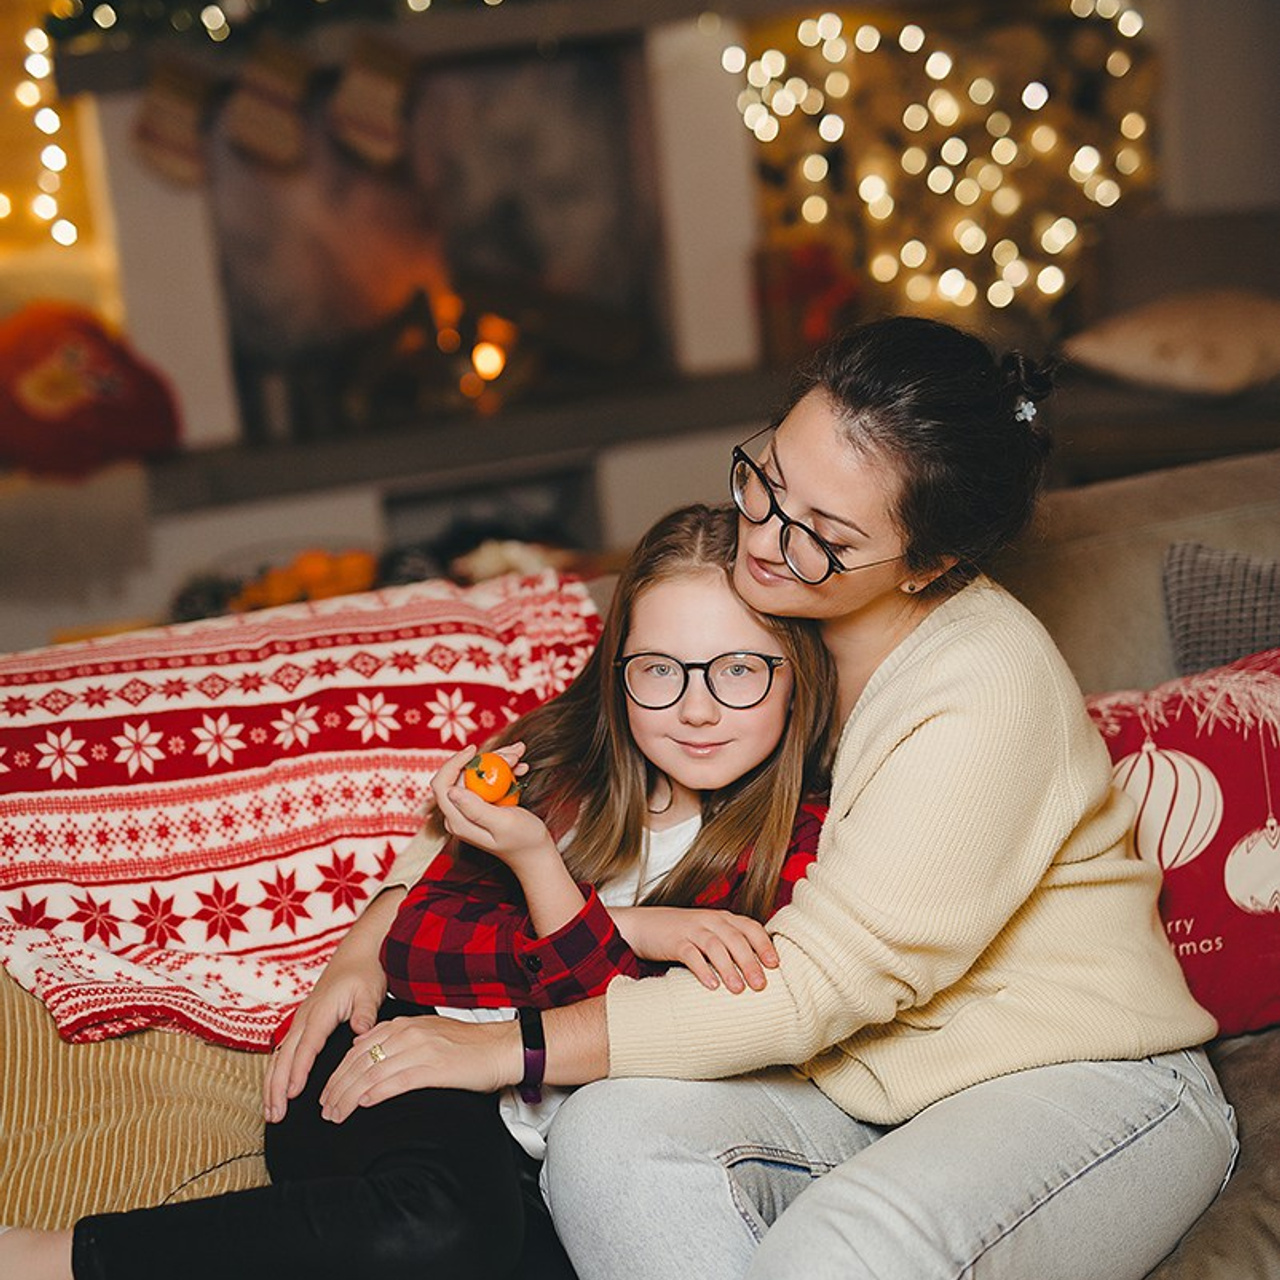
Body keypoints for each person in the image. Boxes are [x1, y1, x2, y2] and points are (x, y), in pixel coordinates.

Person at [297, 315, 1239, 1280]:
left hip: (1078, 1081)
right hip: (856, 1084)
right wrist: (377, 924)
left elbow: (812, 985)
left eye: (825, 537)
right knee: (608, 1141)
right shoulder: (771, 611)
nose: (767, 538)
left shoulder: (983, 686)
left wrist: (513, 1048)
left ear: (929, 566)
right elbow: (570, 739)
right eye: (767, 480)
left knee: (846, 1249)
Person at [0, 502, 835, 1280]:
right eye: (659, 670)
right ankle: (51, 1260)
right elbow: (420, 945)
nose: (695, 709)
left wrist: (545, 892)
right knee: (440, 1225)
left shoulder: (799, 843)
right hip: (410, 1057)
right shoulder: (552, 769)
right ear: (616, 672)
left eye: (737, 669)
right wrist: (615, 911)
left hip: (549, 1144)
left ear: (797, 669)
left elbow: (627, 1038)